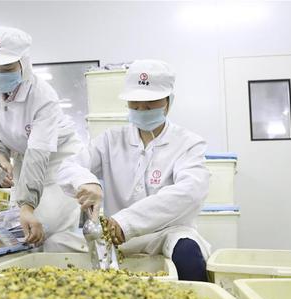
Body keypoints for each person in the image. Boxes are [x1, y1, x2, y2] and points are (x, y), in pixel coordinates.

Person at [70, 59, 211, 281]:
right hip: (116, 238)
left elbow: (190, 192)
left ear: (168, 102)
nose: (141, 109)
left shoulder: (188, 143)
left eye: (150, 103)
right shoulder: (110, 140)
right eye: (135, 104)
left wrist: (126, 222)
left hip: (166, 234)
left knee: (188, 255)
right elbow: (71, 165)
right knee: (61, 248)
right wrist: (86, 182)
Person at [0, 26, 100, 250]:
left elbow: (38, 153)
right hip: (26, 163)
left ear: (24, 63)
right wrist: (3, 163)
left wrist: (28, 206)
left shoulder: (42, 96)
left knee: (46, 229)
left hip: (58, 164)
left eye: (7, 67)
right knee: (20, 230)